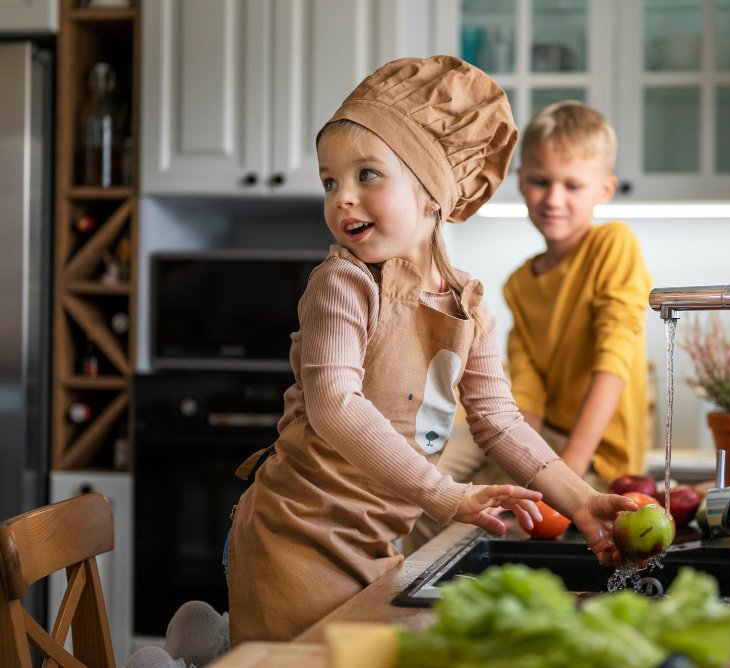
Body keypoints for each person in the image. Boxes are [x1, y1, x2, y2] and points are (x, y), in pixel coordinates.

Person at [225, 56, 637, 645]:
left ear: (429, 193)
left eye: (367, 175)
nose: (343, 198)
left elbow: (499, 421)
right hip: (295, 537)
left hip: (373, 542)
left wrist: (583, 501)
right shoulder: (343, 283)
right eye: (329, 181)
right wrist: (447, 494)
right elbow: (336, 405)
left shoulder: (467, 303)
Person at [503, 100, 653, 487]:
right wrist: (522, 463)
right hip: (546, 443)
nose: (554, 199)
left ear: (605, 190)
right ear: (521, 182)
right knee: (439, 470)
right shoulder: (518, 284)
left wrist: (566, 474)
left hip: (600, 460)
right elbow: (527, 390)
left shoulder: (614, 244)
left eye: (572, 186)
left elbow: (614, 359)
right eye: (541, 181)